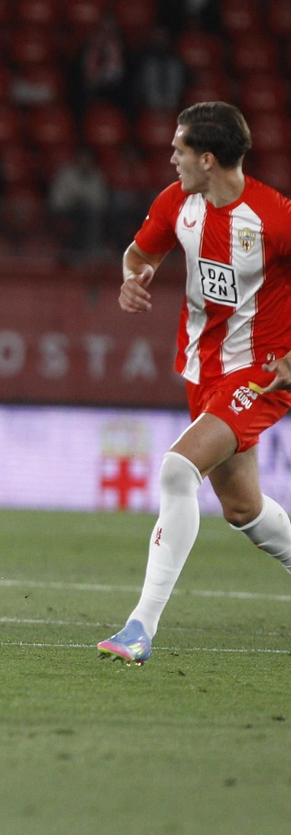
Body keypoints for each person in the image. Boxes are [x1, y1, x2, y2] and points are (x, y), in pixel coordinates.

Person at [98, 102, 291, 664]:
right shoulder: (177, 203)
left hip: (259, 372)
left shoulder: (274, 218)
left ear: (208, 158)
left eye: (179, 149)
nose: (172, 157)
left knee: (178, 469)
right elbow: (137, 254)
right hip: (201, 371)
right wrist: (134, 279)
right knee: (242, 508)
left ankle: (140, 627)